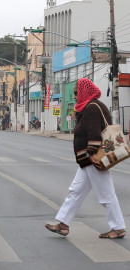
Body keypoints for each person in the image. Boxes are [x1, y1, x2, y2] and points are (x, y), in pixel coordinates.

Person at [45, 78, 126, 239]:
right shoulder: (89, 106)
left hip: (93, 159)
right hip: (87, 160)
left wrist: (91, 154)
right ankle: (63, 224)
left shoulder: (93, 107)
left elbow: (95, 133)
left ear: (84, 91)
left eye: (76, 93)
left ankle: (118, 228)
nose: (74, 96)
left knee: (106, 194)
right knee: (75, 191)